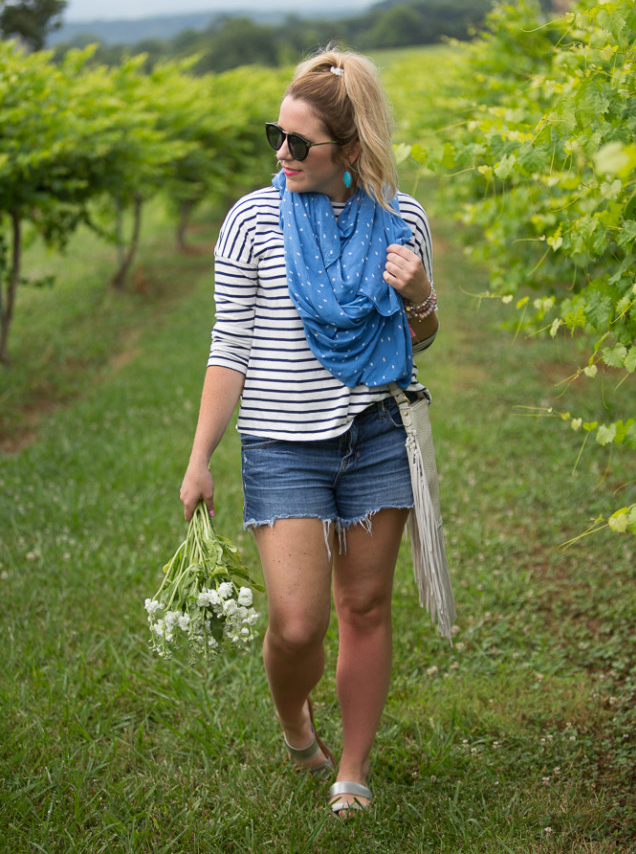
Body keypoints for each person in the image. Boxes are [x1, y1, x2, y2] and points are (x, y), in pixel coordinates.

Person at [180, 47, 439, 816]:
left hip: (375, 435)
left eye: (300, 144)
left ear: (351, 152)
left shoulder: (404, 220)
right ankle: (296, 718)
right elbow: (229, 346)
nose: (283, 154)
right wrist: (199, 459)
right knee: (297, 622)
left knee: (365, 608)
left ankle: (352, 769)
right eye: (277, 136)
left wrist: (421, 295)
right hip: (282, 446)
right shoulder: (253, 220)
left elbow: (419, 338)